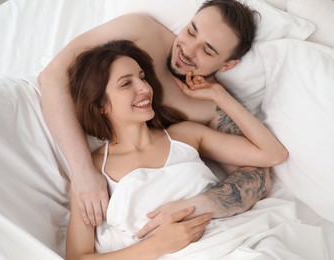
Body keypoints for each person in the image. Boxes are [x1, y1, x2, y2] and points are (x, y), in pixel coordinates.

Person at [38, 0, 280, 229]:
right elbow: (52, 76)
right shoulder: (140, 30)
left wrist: (195, 207)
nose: (187, 50)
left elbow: (257, 173)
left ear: (226, 66)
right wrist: (83, 173)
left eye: (207, 51)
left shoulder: (208, 108)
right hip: (64, 133)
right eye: (191, 31)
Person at [66, 39, 287, 259]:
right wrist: (155, 246)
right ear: (100, 105)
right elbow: (76, 257)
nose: (144, 88)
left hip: (237, 243)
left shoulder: (185, 135)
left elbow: (273, 154)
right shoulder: (92, 172)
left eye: (142, 78)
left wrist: (219, 95)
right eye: (126, 83)